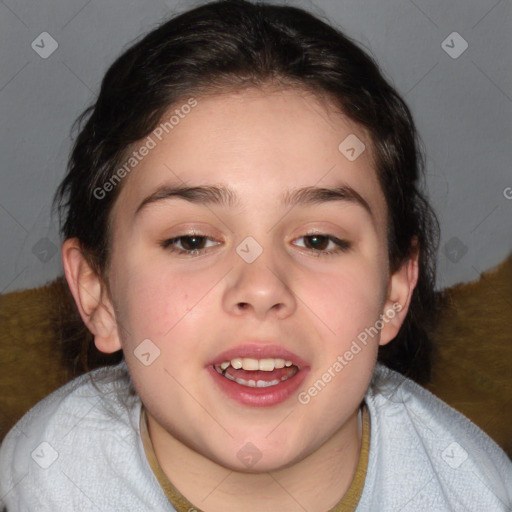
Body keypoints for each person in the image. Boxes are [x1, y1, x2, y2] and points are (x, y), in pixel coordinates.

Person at [1, 1, 510, 510]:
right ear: (98, 293)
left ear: (395, 291)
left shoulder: (475, 492)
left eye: (318, 240)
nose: (262, 288)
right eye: (192, 241)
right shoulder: (38, 483)